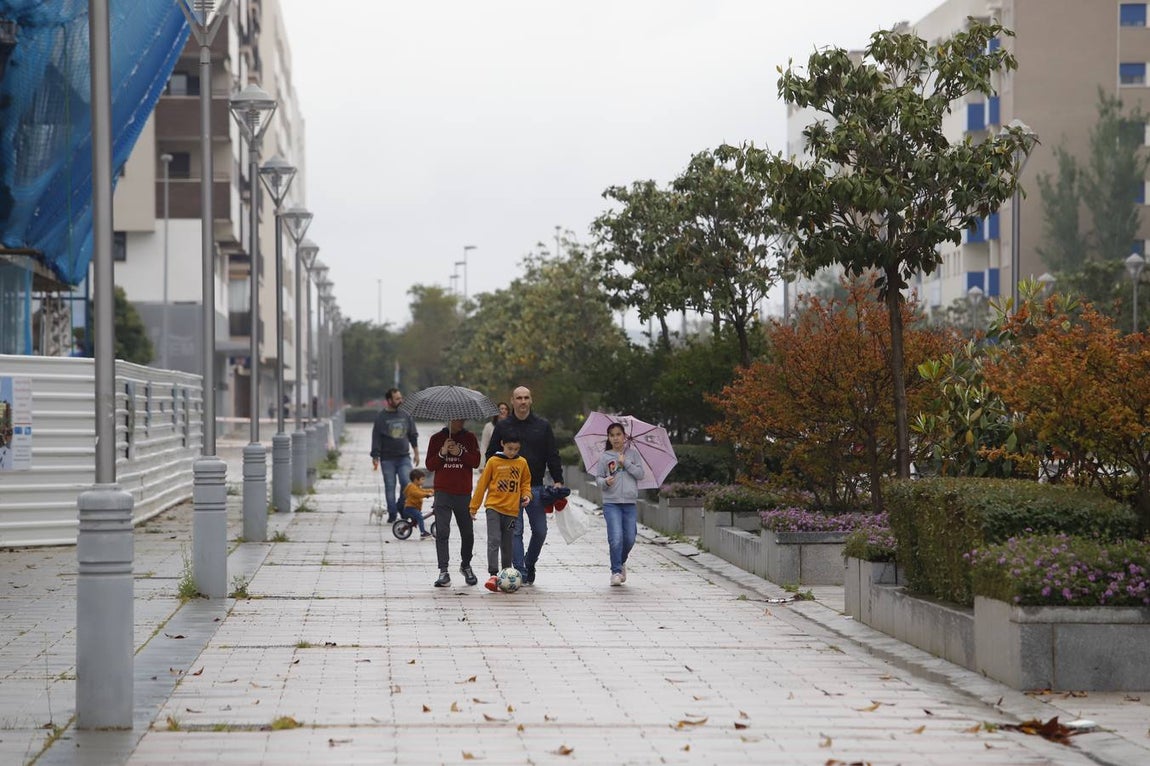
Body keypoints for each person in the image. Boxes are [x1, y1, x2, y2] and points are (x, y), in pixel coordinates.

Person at [485, 386, 563, 585]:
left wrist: (558, 479)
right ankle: (520, 572)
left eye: (526, 398)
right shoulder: (503, 426)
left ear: (531, 400)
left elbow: (552, 454)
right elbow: (490, 454)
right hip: (510, 491)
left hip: (535, 487)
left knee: (540, 531)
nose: (522, 401)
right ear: (512, 401)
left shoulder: (542, 426)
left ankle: (529, 562)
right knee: (515, 532)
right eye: (518, 398)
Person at [470, 430, 532, 592]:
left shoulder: (522, 463)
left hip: (512, 511)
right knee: (494, 539)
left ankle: (506, 573)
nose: (512, 452)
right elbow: (482, 484)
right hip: (494, 507)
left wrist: (526, 495)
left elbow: (525, 483)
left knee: (507, 543)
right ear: (502, 444)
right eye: (510, 448)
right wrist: (473, 507)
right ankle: (493, 574)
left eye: (516, 449)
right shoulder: (493, 461)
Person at [425, 419, 481, 587]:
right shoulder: (436, 438)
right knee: (442, 531)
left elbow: (476, 462)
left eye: (463, 418)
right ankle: (443, 571)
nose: (461, 421)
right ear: (449, 419)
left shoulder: (470, 438)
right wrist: (442, 453)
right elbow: (430, 465)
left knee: (468, 533)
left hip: (463, 492)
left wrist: (460, 452)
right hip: (442, 492)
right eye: (457, 419)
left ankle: (466, 565)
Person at [595, 422, 645, 586]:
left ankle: (621, 561)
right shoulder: (605, 457)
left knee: (629, 538)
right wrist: (605, 482)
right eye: (612, 435)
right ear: (608, 438)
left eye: (618, 434)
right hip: (611, 503)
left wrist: (626, 463)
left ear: (624, 436)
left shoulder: (633, 455)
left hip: (629, 503)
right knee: (616, 537)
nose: (615, 438)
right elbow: (598, 478)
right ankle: (616, 571)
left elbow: (640, 474)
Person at [370, 388, 420, 523]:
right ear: (389, 400)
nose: (400, 401)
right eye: (397, 399)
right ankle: (392, 513)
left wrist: (416, 453)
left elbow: (413, 435)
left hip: (404, 457)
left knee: (407, 483)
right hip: (387, 459)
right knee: (390, 486)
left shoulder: (406, 414)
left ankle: (401, 506)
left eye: (401, 398)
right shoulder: (381, 417)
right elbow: (376, 438)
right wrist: (375, 456)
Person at [401, 468, 434, 538]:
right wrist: (427, 494)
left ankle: (403, 529)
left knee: (415, 521)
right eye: (422, 479)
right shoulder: (411, 487)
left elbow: (422, 491)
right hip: (410, 508)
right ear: (416, 480)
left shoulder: (417, 486)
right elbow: (417, 493)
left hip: (414, 507)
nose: (424, 481)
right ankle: (423, 533)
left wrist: (430, 490)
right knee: (420, 518)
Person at [478, 401, 510, 470]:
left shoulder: (511, 427)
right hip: (493, 459)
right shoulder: (489, 426)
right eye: (501, 409)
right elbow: (484, 445)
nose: (503, 411)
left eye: (506, 409)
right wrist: (482, 464)